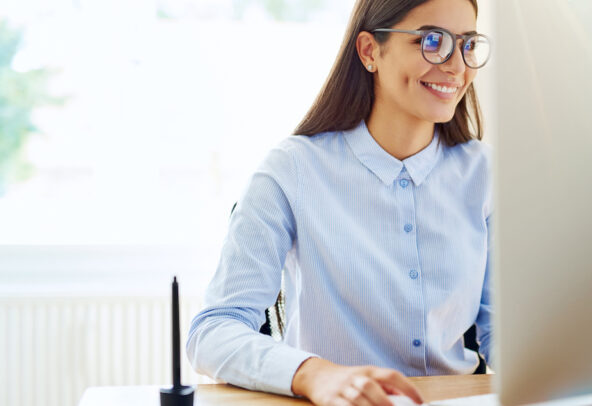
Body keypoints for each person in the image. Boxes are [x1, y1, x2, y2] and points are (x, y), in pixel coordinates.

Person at [186, 0, 493, 405]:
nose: (457, 66)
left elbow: (506, 331)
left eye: (468, 44)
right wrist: (312, 374)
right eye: (432, 41)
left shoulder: (485, 174)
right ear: (370, 51)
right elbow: (213, 331)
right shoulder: (292, 170)